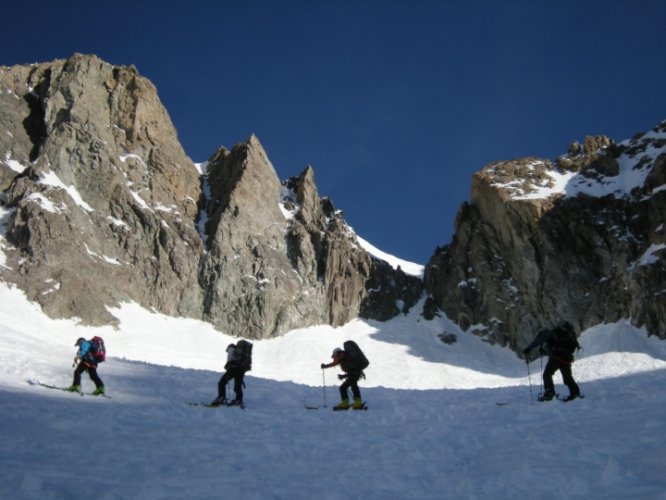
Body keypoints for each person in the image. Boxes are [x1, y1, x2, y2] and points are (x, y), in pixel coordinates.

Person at [523, 321, 581, 402]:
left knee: (547, 374)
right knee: (567, 378)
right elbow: (557, 347)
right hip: (567, 358)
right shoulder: (566, 335)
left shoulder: (551, 332)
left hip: (557, 356)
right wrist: (546, 352)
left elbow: (539, 340)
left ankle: (549, 393)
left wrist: (528, 349)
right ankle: (575, 393)